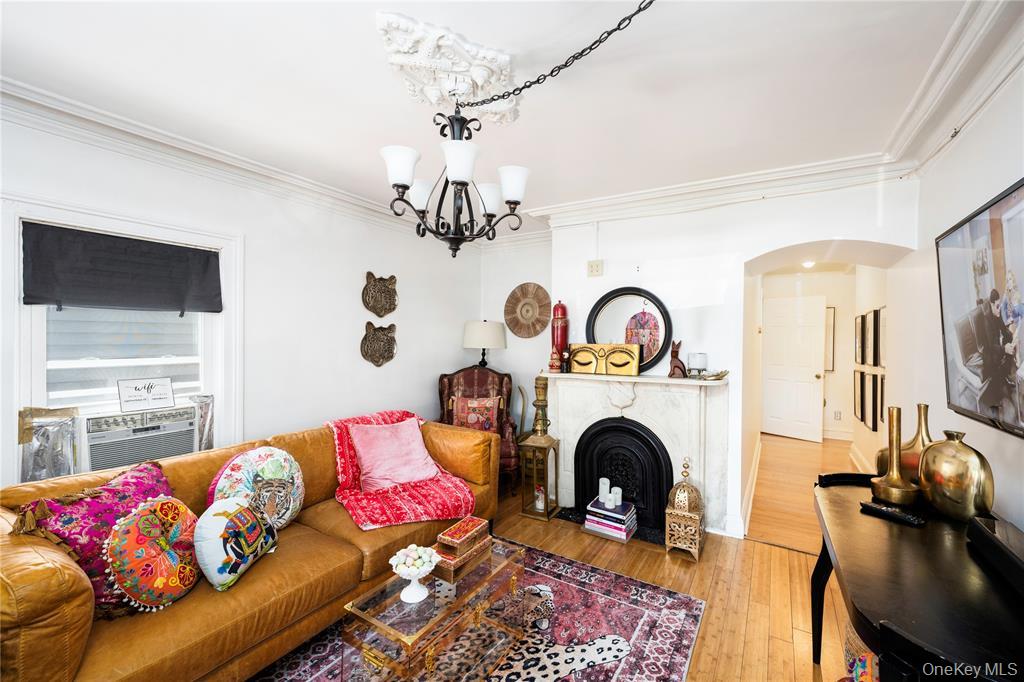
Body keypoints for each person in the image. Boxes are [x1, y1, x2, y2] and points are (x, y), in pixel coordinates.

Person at [979, 288, 1018, 415]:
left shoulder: (997, 311)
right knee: (1000, 355)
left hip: (997, 346)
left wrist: (1011, 335)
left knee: (1009, 340)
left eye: (999, 305)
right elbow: (991, 345)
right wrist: (1004, 348)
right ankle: (998, 393)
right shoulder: (986, 319)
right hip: (989, 352)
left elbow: (1002, 327)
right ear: (991, 305)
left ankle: (1005, 376)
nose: (999, 308)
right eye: (997, 306)